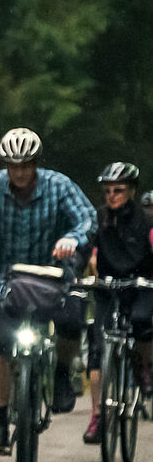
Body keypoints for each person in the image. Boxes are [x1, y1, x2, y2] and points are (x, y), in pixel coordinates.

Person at [0, 128, 96, 454]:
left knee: (71, 317)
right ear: (6, 165)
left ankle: (63, 372)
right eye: (13, 165)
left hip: (52, 274)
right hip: (7, 278)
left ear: (36, 163)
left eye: (26, 165)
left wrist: (74, 238)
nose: (20, 172)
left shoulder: (59, 185)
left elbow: (88, 218)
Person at [83, 162, 153, 443]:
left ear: (132, 191)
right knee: (98, 348)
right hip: (108, 288)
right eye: (108, 191)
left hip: (141, 287)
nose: (112, 196)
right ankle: (98, 417)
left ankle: (144, 367)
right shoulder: (97, 219)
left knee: (142, 323)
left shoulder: (146, 221)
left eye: (119, 190)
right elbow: (84, 247)